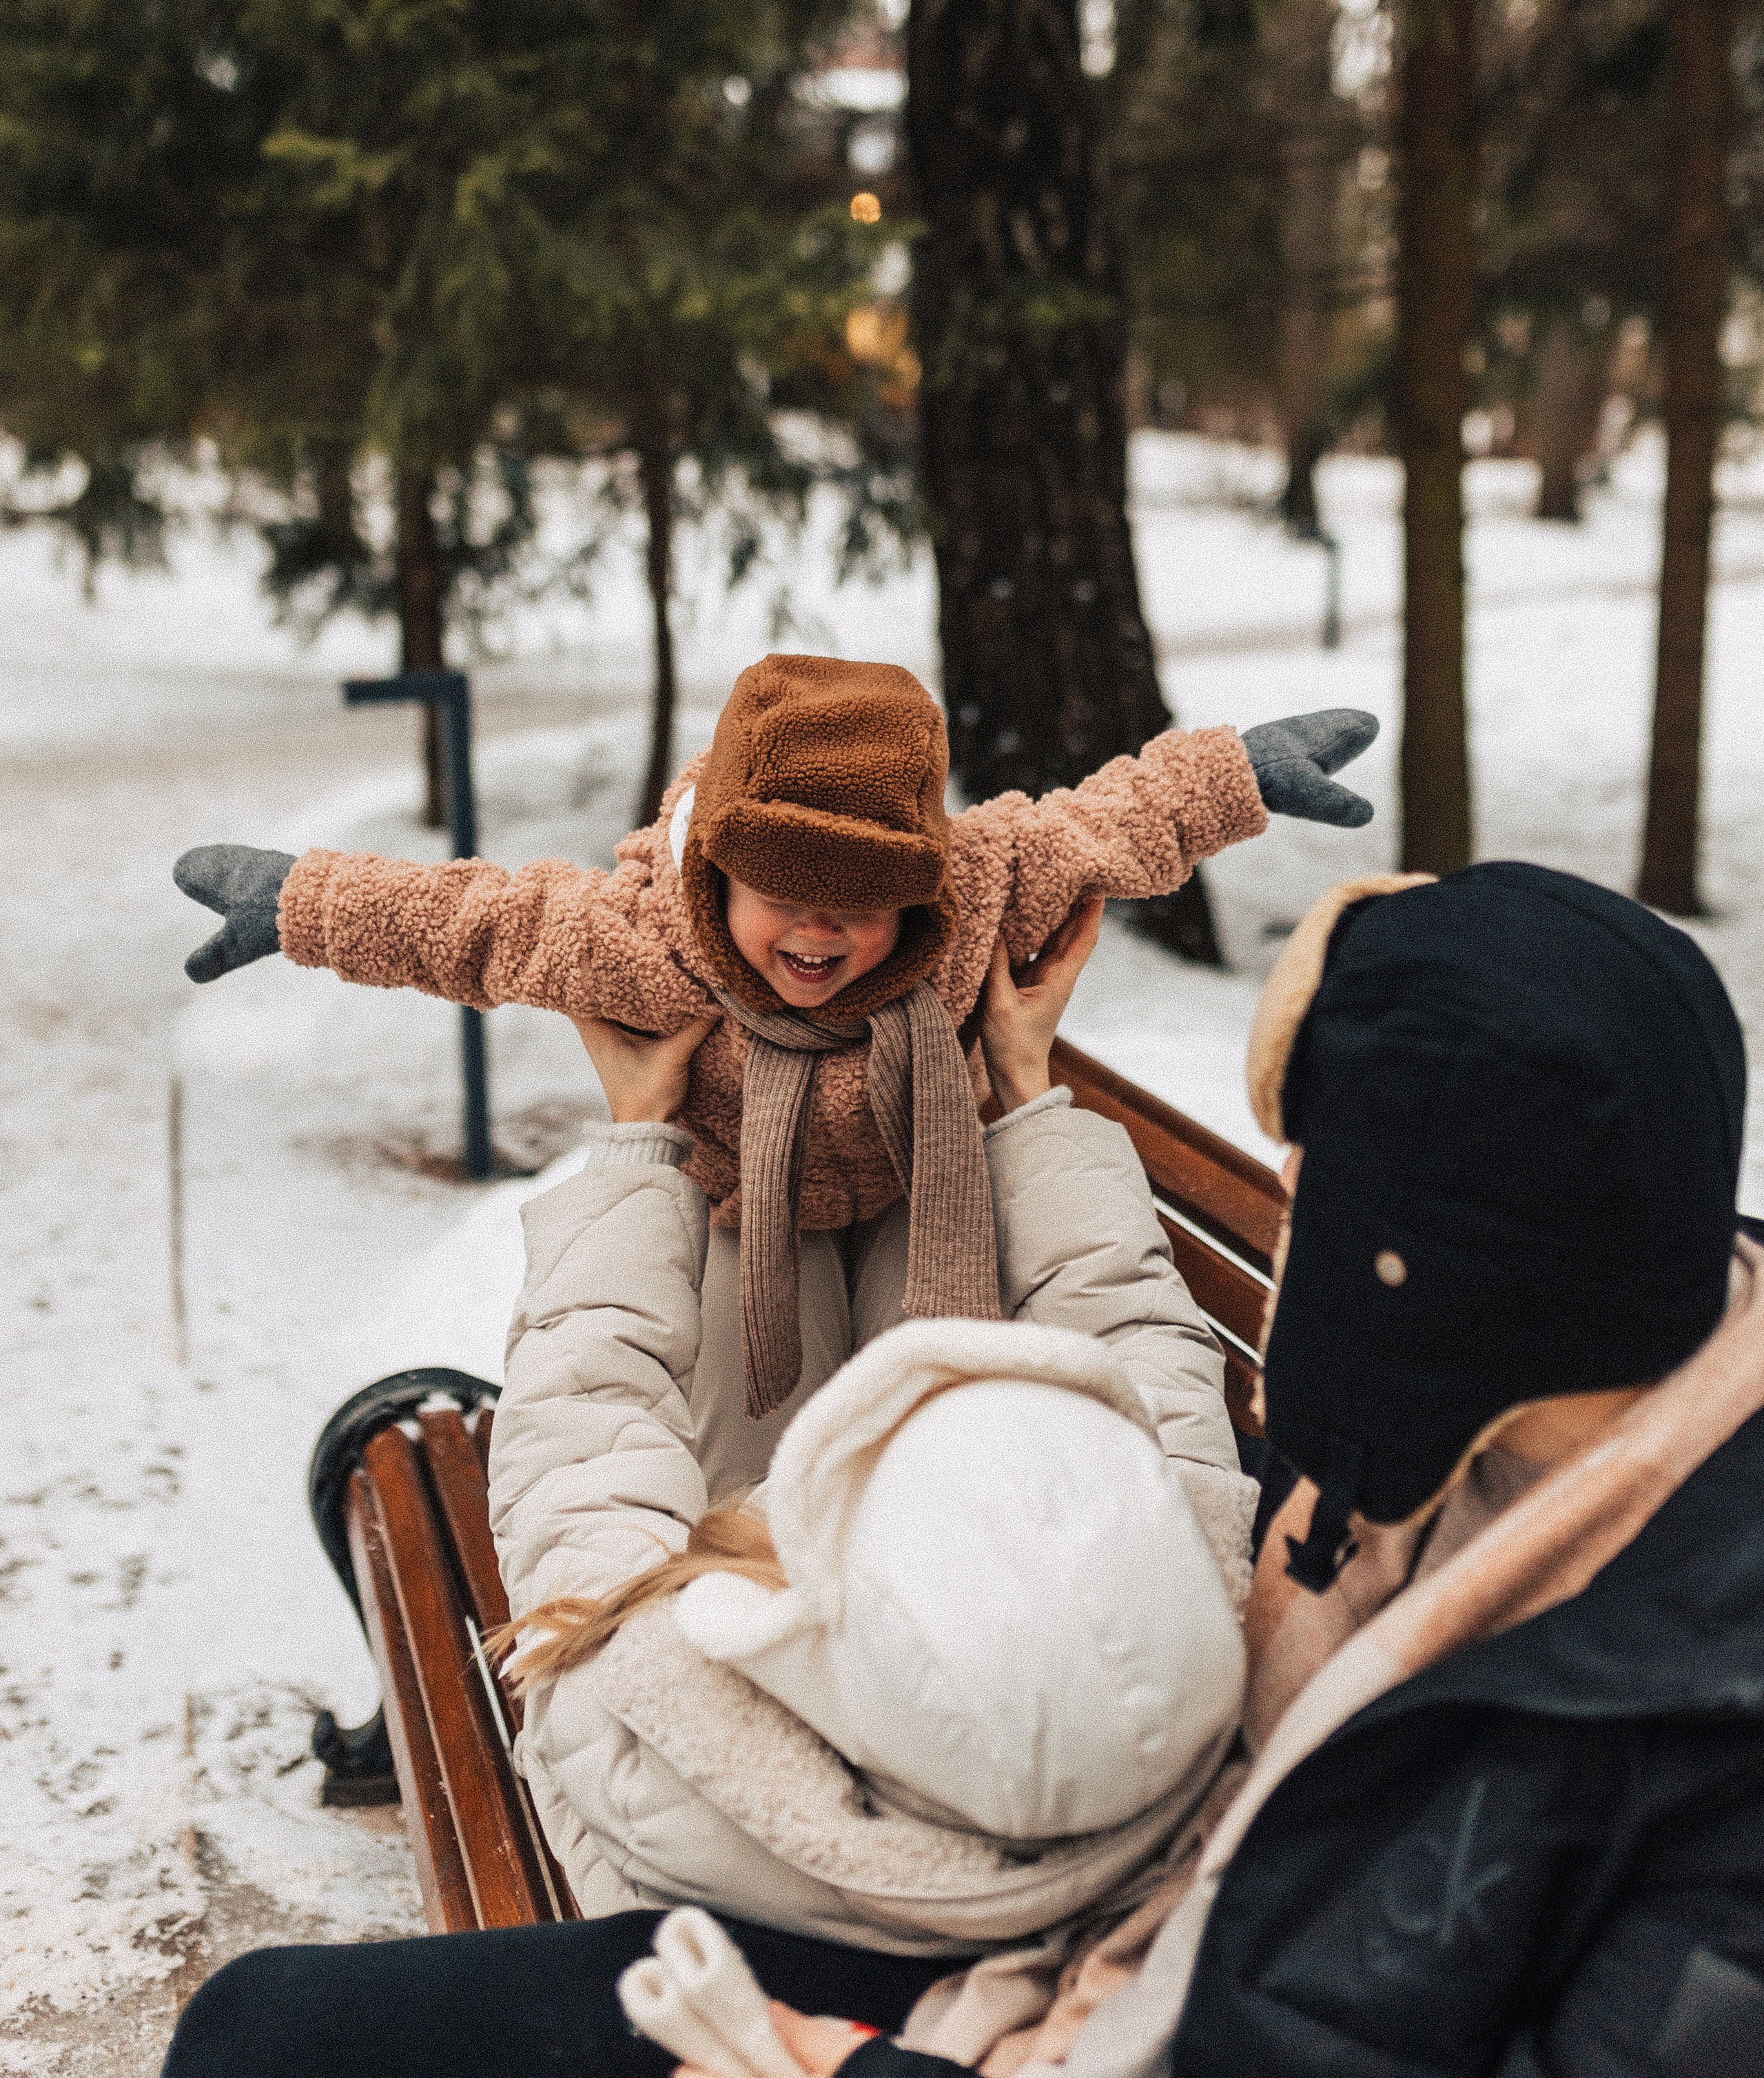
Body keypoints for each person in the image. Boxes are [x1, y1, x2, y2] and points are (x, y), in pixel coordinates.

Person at [161, 881, 1260, 2077]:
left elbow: (582, 1458)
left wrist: (641, 1132)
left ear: (819, 1623)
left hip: (755, 1948)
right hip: (1050, 1912)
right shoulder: (1193, 1607)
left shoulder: (682, 1742)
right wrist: (1028, 1086)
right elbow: (1142, 1343)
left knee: (251, 2028)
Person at [706, 861, 1764, 2078]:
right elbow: (1164, 1422)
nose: (1289, 1190)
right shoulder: (1526, 1418)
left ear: (1446, 1270)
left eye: (1330, 1170)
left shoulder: (1720, 1785)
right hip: (1104, 1929)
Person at [171, 653, 1377, 1491]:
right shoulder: (648, 939)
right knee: (748, 1425)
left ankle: (929, 1557)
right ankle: (758, 1568)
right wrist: (297, 901)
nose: (819, 936)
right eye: (783, 901)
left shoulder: (969, 896)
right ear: (719, 879)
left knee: (938, 1386)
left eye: (861, 909)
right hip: (747, 1201)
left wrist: (1244, 772)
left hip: (922, 1188)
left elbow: (1106, 819)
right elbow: (478, 923)